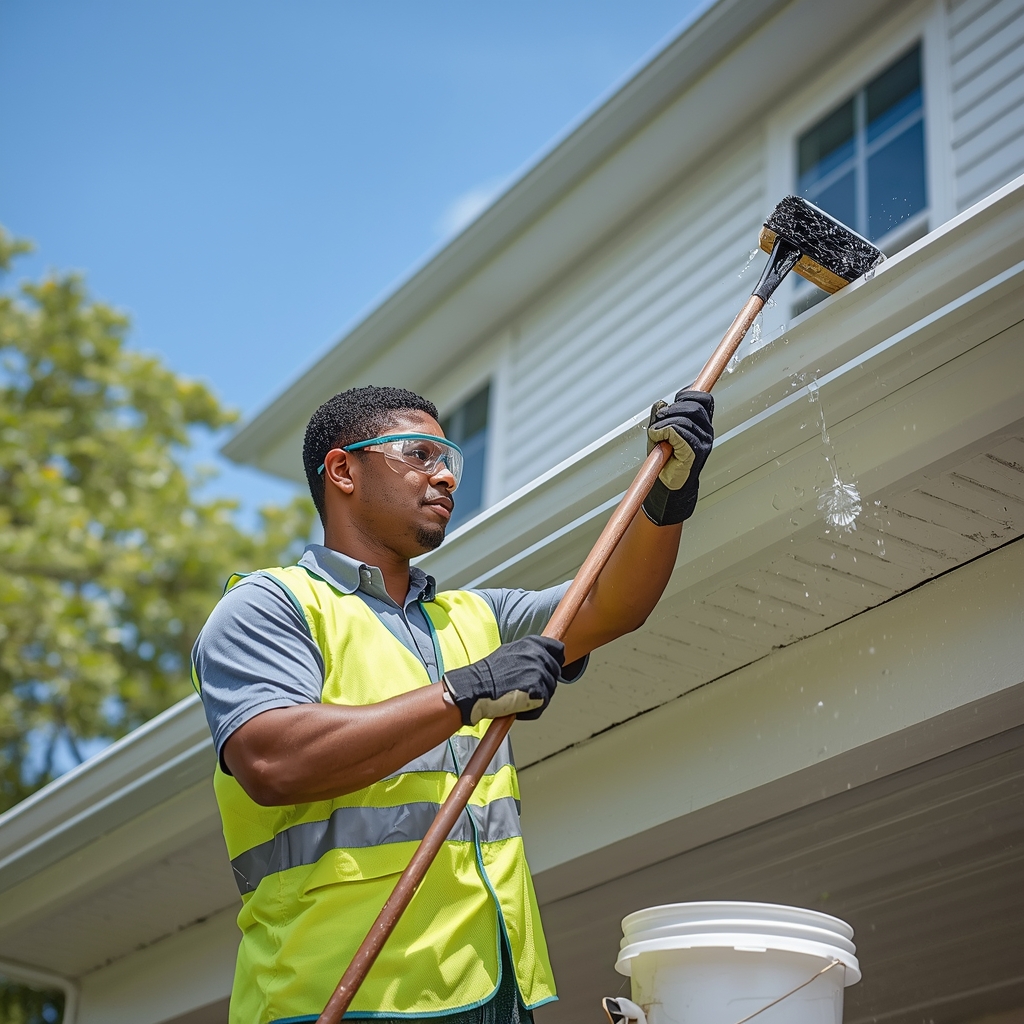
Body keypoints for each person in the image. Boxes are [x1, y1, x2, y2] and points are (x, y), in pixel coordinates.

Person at [192, 384, 713, 1024]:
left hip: (495, 994)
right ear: (342, 470)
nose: (445, 476)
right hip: (338, 1000)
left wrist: (669, 496)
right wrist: (463, 692)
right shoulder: (271, 607)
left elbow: (610, 604)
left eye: (452, 461)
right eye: (419, 455)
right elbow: (272, 759)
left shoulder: (476, 618)